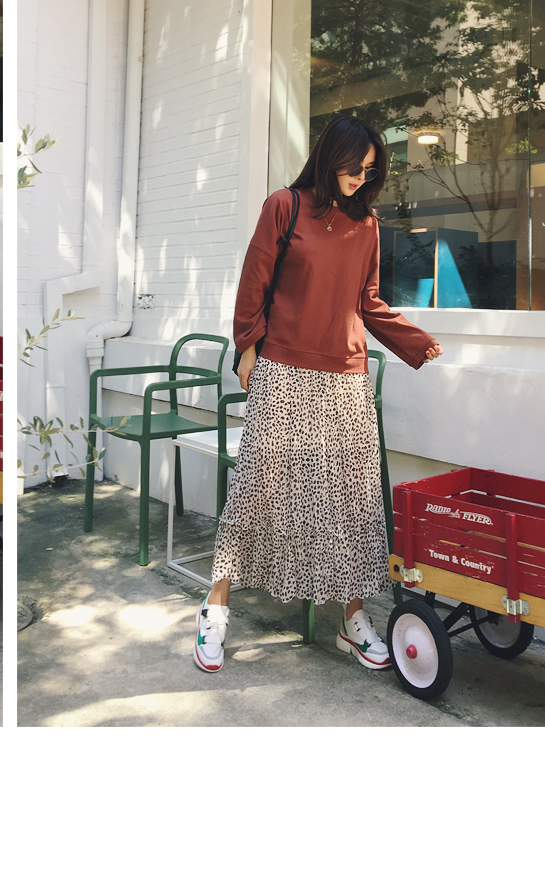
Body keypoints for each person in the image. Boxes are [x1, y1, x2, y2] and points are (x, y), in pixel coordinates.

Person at [194, 114, 442, 674]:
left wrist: (415, 342)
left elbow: (368, 302)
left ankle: (352, 622)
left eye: (370, 170)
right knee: (257, 487)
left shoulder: (367, 225)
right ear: (331, 156)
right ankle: (215, 607)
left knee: (351, 500)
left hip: (345, 376)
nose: (361, 177)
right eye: (355, 166)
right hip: (282, 368)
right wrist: (247, 346)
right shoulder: (284, 206)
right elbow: (253, 283)